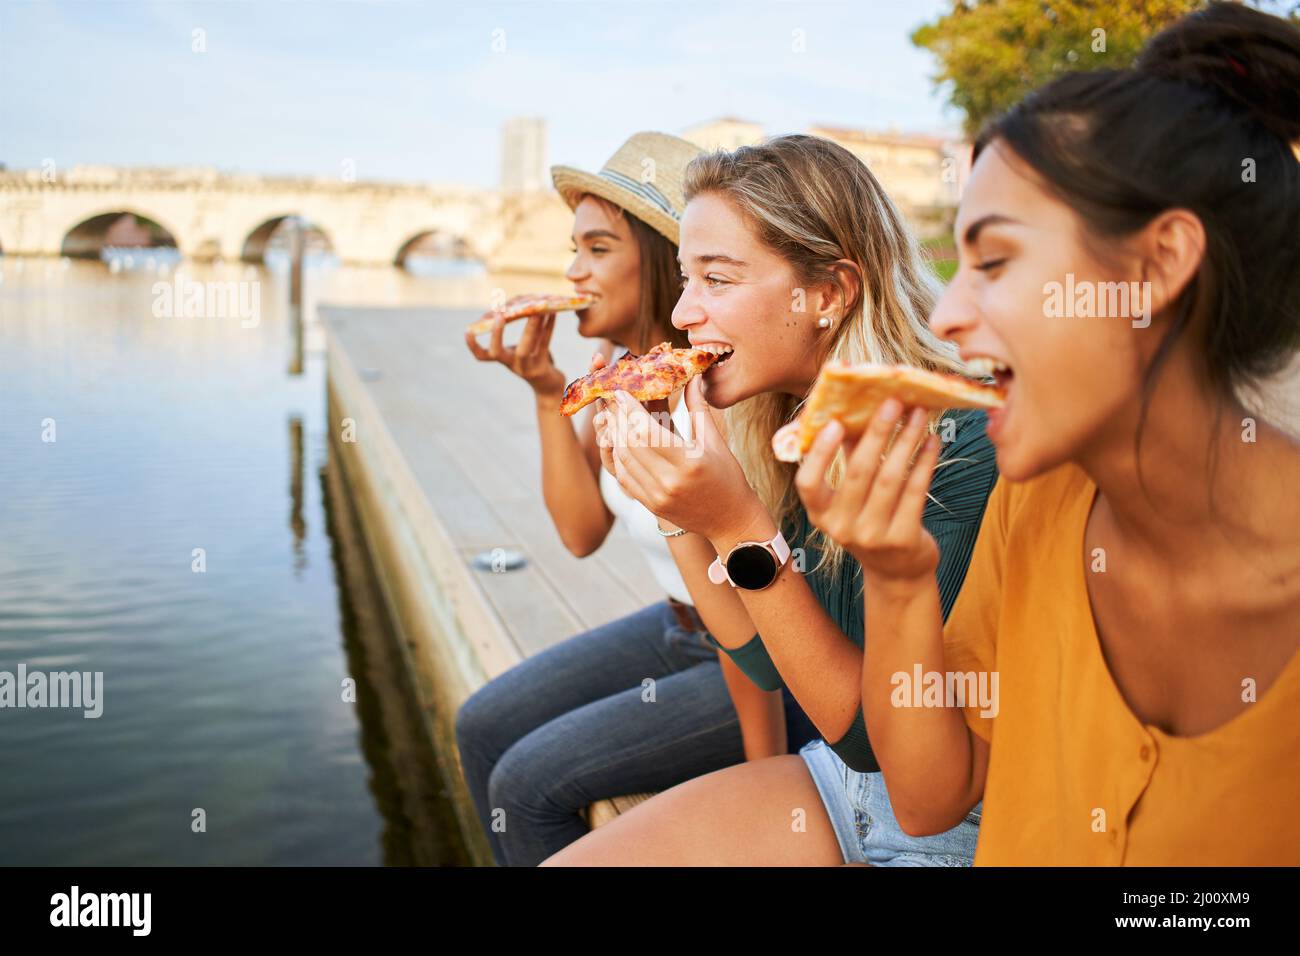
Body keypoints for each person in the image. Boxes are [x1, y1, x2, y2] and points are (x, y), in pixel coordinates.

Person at [813, 2, 1300, 864]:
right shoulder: (1034, 505)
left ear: (1154, 267)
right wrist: (896, 577)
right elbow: (928, 800)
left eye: (994, 262)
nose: (949, 314)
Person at [544, 134, 998, 866]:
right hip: (836, 782)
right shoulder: (784, 418)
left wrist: (735, 520)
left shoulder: (952, 447)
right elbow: (760, 663)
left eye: (718, 280)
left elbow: (871, 738)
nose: (685, 311)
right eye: (687, 279)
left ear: (829, 293)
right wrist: (677, 504)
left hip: (962, 827)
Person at [456, 131, 817, 866]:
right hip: (680, 628)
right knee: (482, 724)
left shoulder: (720, 386)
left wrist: (761, 785)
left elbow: (748, 617)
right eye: (573, 250)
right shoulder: (628, 376)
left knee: (528, 782)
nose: (572, 271)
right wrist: (548, 391)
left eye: (596, 249)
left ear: (656, 257)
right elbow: (581, 530)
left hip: (769, 663)